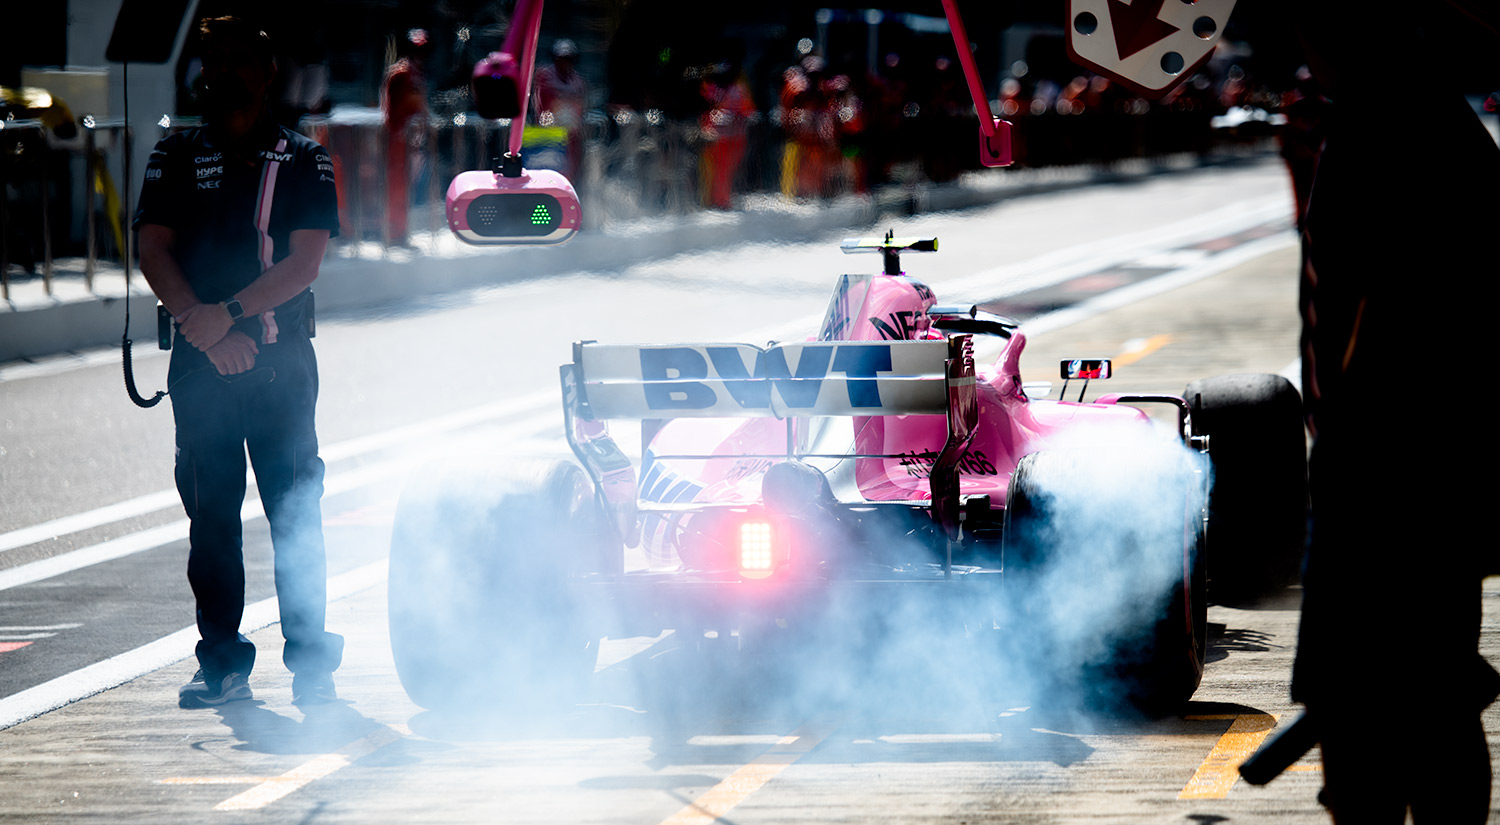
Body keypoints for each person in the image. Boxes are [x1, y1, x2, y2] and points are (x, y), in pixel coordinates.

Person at [1287, 5, 1498, 821]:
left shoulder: (1381, 134)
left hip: (1383, 474)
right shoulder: (1443, 126)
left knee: (1370, 714)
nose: (1308, 60)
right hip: (1442, 468)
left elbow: (1362, 323)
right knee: (1440, 693)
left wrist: (1342, 455)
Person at [134, 16, 343, 708]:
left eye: (240, 61)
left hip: (281, 365)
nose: (224, 73)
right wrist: (205, 327)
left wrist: (229, 315)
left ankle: (312, 660)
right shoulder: (173, 153)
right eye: (213, 60)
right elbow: (152, 249)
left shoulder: (304, 158)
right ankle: (221, 660)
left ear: (267, 73)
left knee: (294, 511)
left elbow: (305, 263)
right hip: (201, 365)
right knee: (212, 518)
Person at [381, 28, 430, 247]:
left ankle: (400, 231)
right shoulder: (401, 74)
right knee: (397, 187)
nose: (420, 55)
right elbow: (393, 111)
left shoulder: (415, 74)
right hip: (399, 140)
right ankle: (394, 234)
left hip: (412, 140)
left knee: (407, 187)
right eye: (417, 50)